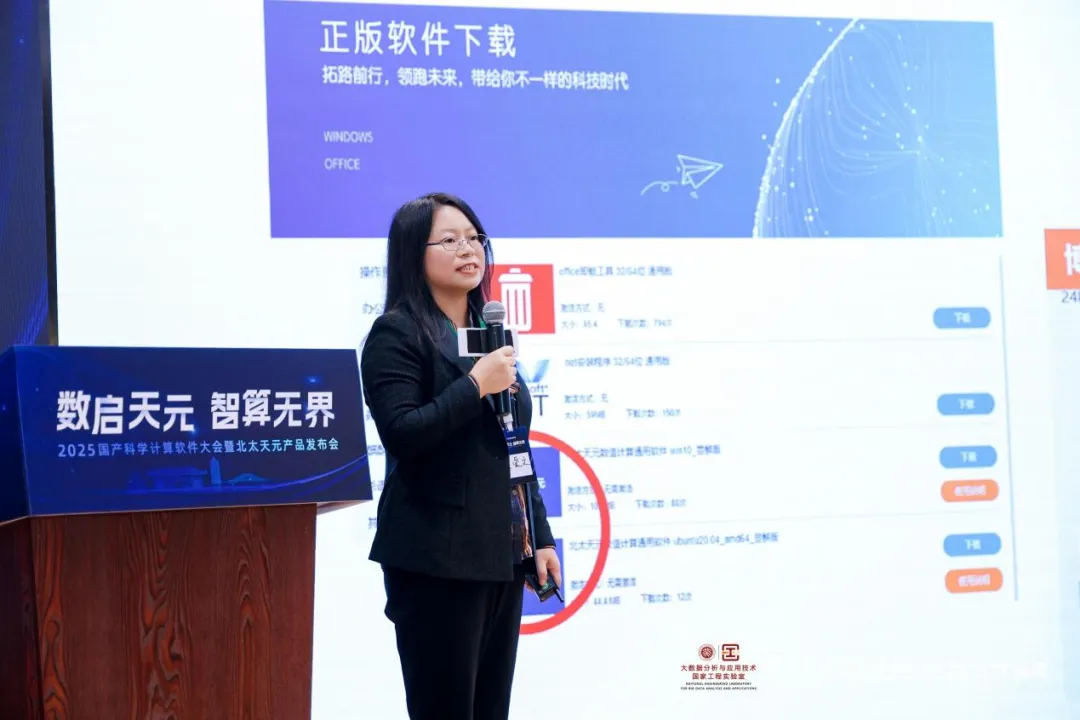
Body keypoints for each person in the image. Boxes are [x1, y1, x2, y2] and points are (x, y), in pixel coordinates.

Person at [360, 192, 561, 720]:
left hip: (501, 553)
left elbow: (513, 443)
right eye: (449, 240)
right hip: (437, 558)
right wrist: (474, 386)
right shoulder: (396, 333)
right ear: (413, 253)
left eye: (474, 238)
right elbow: (403, 434)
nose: (468, 250)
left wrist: (539, 538)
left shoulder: (488, 334)